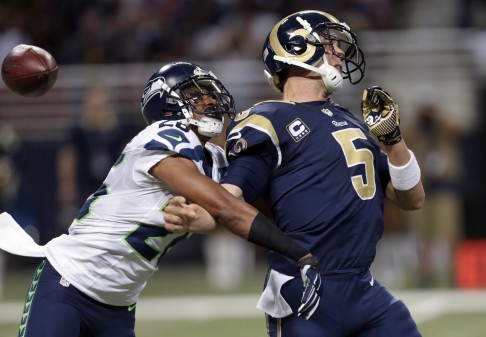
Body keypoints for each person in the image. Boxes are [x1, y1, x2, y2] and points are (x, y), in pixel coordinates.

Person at [0, 61, 320, 337]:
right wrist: (299, 252)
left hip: (119, 307)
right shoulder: (163, 137)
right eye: (196, 95)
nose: (209, 99)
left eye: (208, 91)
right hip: (67, 283)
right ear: (168, 108)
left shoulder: (215, 160)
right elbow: (227, 208)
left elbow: (234, 209)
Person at [164, 10, 425, 337]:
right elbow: (231, 197)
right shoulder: (269, 119)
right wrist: (197, 215)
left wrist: (393, 141)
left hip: (363, 286)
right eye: (331, 44)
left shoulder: (352, 121)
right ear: (299, 48)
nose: (341, 53)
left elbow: (413, 199)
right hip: (306, 289)